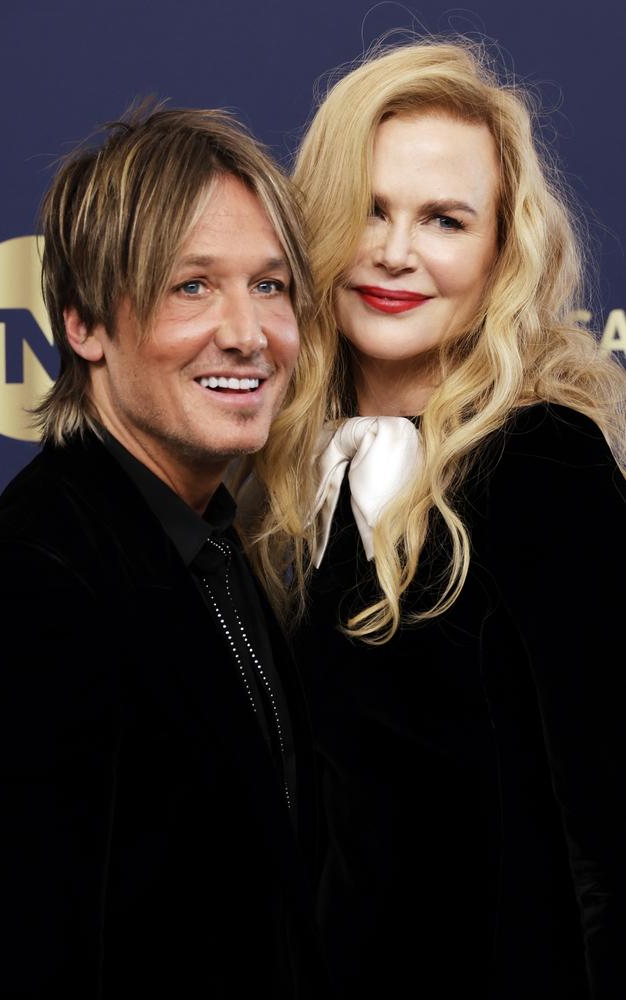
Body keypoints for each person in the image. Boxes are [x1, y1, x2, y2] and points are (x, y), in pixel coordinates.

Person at [238, 40, 626, 999]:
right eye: (369, 208)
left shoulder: (544, 465)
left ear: (500, 254)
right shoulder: (282, 476)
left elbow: (616, 840)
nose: (395, 252)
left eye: (444, 219)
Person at [0, 104, 327, 998]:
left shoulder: (211, 540)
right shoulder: (34, 584)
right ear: (84, 324)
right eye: (192, 286)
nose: (249, 334)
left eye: (272, 285)